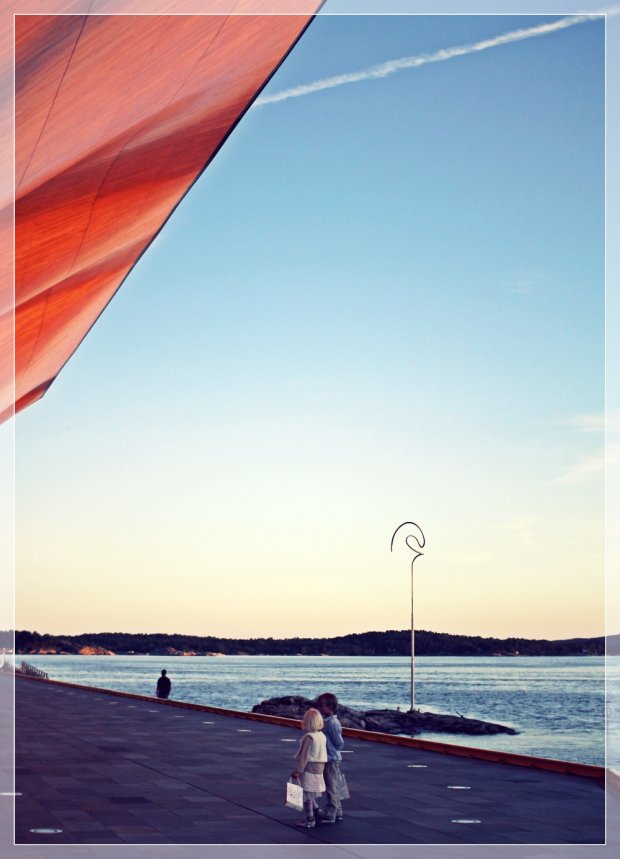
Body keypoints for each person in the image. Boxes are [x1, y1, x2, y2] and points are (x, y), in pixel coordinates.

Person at [291, 707, 327, 828]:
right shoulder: (322, 736)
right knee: (310, 792)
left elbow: (304, 756)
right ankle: (317, 811)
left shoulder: (309, 737)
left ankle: (310, 819)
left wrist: (299, 771)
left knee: (306, 794)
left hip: (310, 768)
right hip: (320, 768)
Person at [315, 691, 345, 823]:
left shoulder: (332, 723)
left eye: (321, 706)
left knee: (331, 786)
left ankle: (331, 813)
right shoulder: (327, 721)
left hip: (331, 758)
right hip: (329, 757)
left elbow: (339, 743)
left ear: (330, 707)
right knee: (334, 784)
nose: (319, 708)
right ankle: (338, 811)